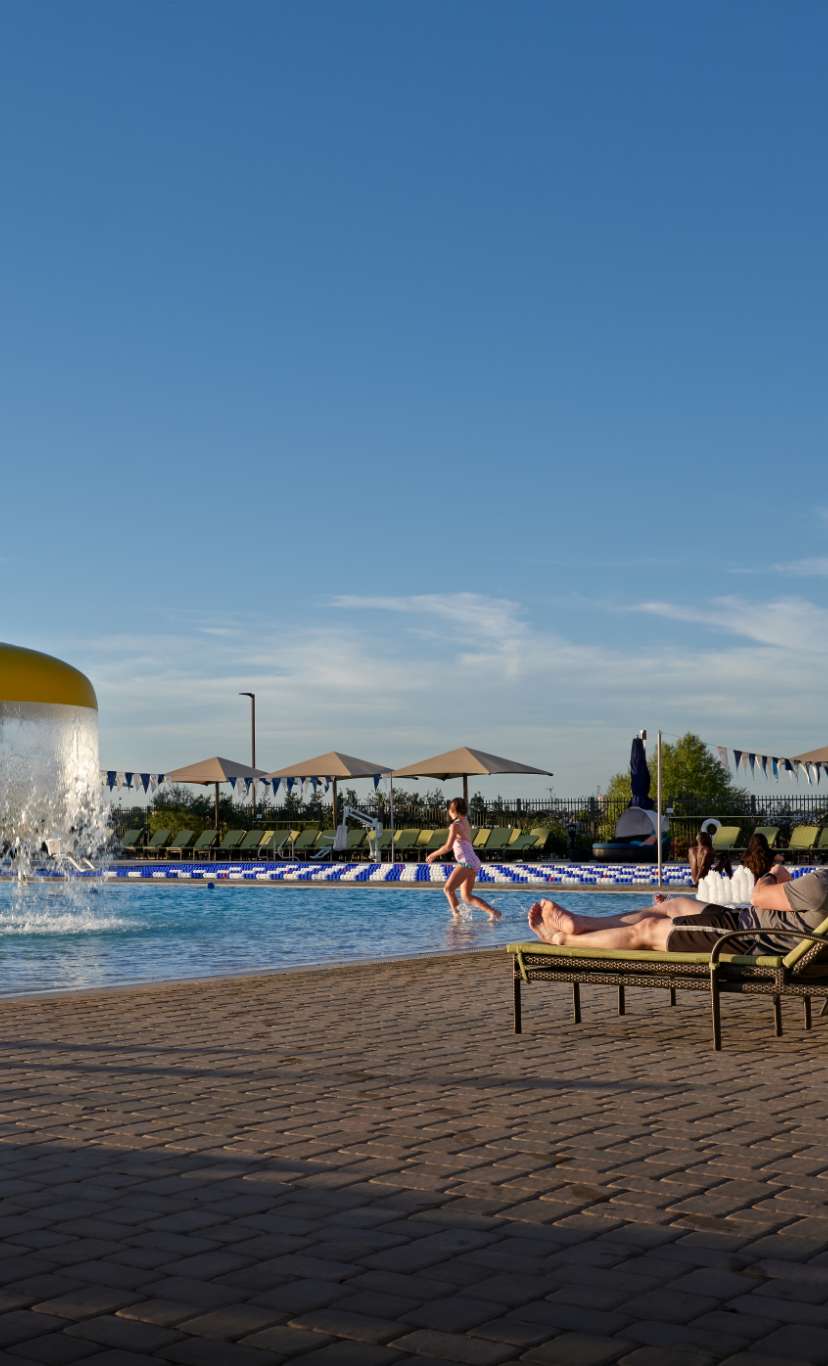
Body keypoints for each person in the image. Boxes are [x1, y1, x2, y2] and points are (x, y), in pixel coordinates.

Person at [527, 865, 828, 956]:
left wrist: (775, 874)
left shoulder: (821, 884)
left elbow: (759, 895)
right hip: (749, 923)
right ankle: (580, 922)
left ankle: (564, 940)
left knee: (647, 932)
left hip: (749, 937)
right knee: (674, 905)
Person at [426, 798, 501, 921]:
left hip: (467, 862)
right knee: (466, 896)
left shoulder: (455, 825)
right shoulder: (465, 821)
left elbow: (448, 846)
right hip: (474, 861)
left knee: (448, 889)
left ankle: (458, 917)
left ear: (452, 810)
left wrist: (433, 854)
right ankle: (494, 912)